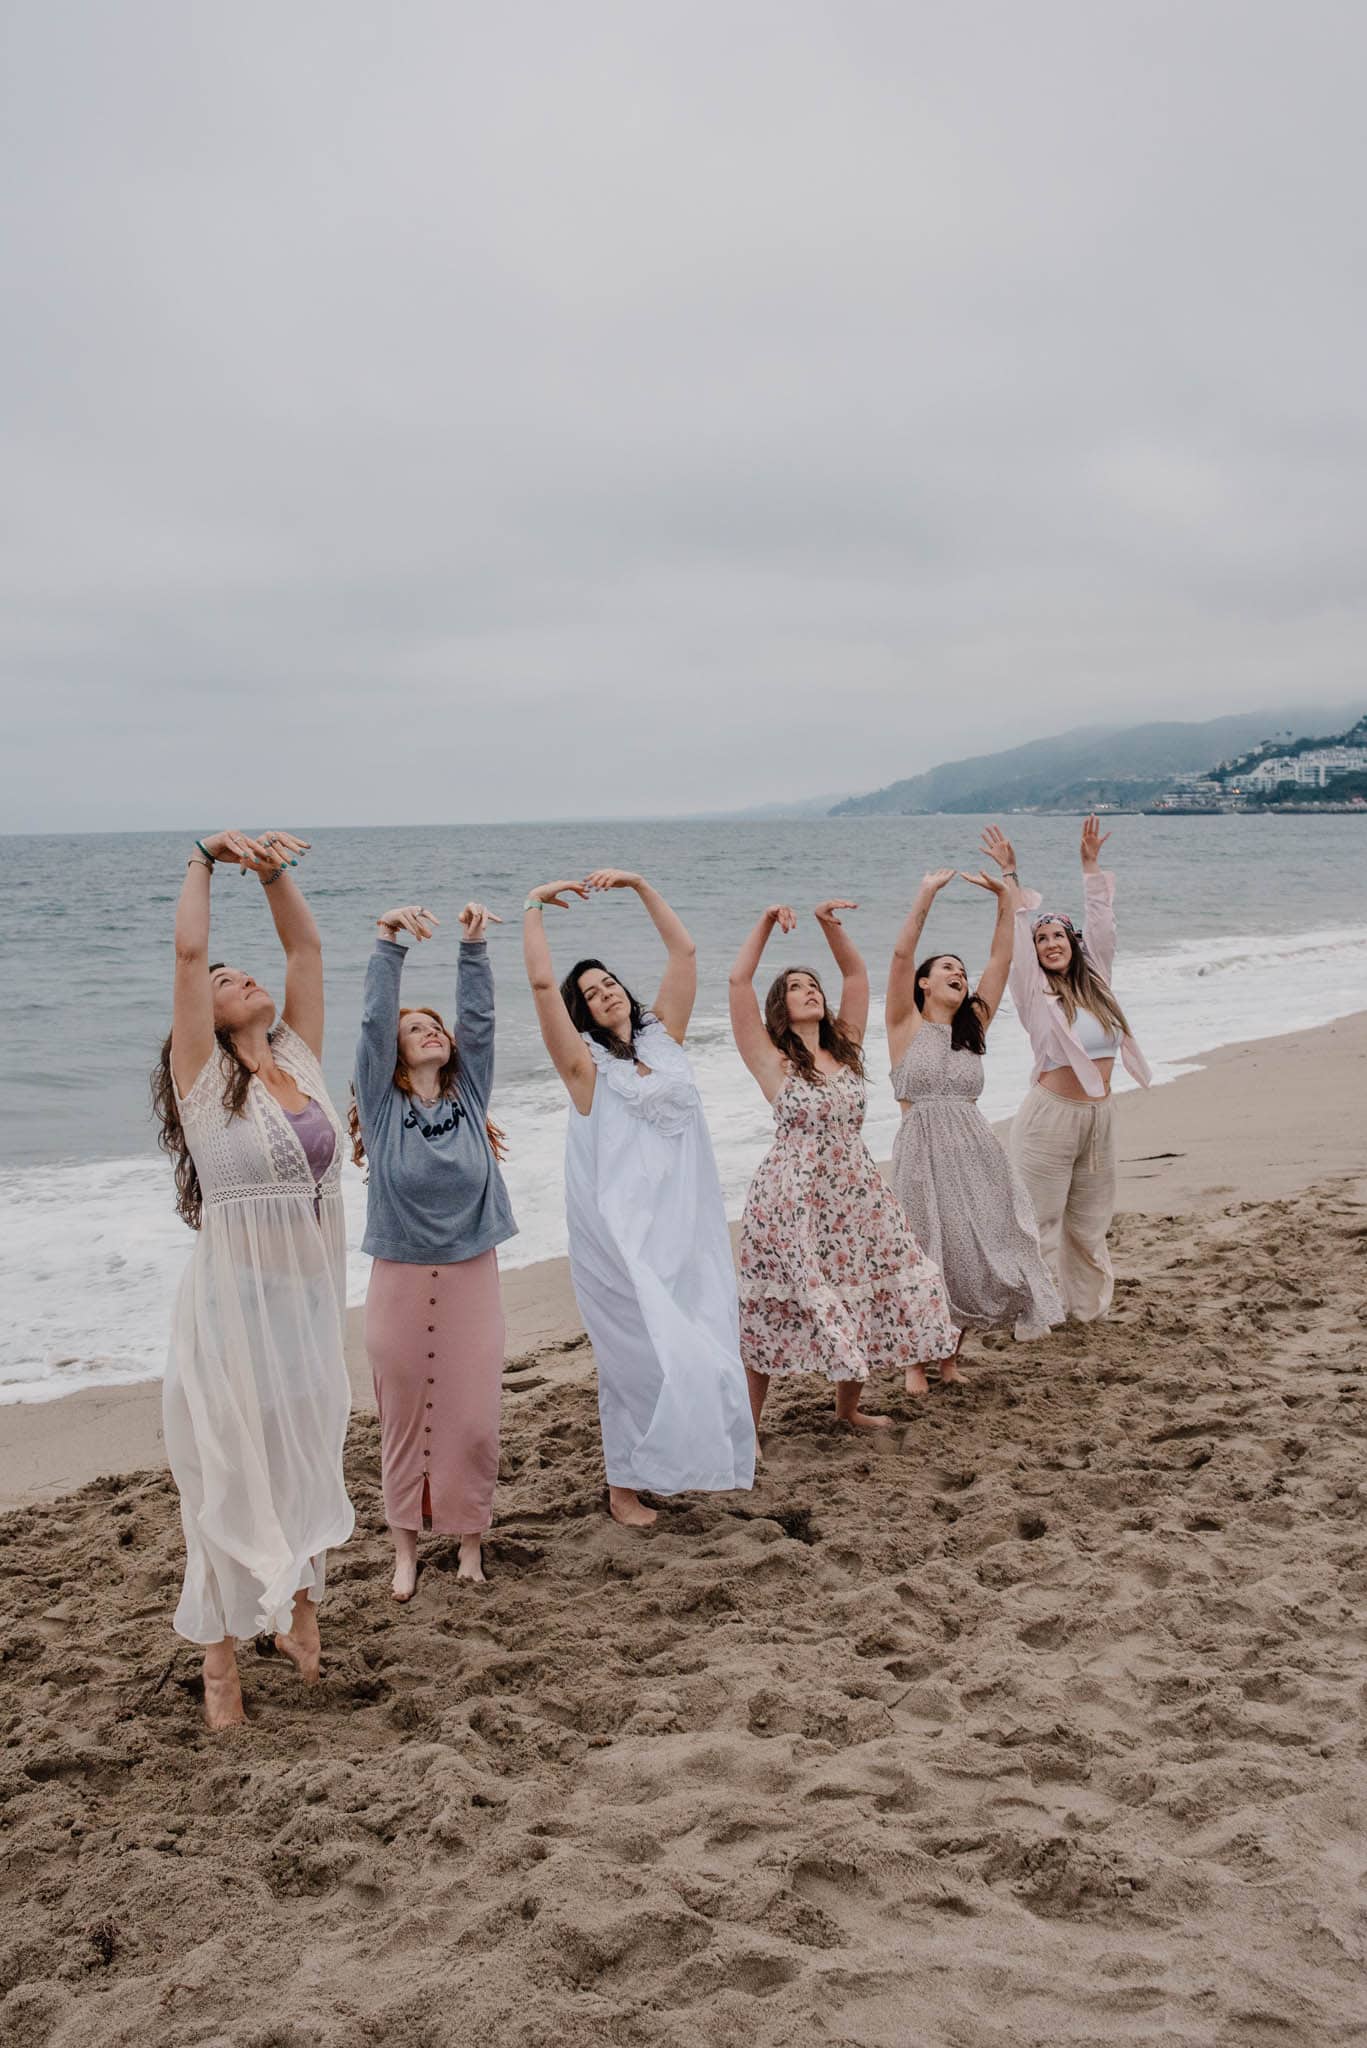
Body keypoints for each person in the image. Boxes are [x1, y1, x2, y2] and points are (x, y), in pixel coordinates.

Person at [151, 829, 354, 1730]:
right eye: (227, 984)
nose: (243, 982)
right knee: (227, 1476)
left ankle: (300, 1611)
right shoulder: (200, 1080)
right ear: (205, 1011)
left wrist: (272, 874)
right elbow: (190, 949)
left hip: (306, 1306)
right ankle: (220, 1665)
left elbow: (305, 948)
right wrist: (204, 858)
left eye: (246, 978)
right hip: (233, 1310)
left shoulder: (300, 1057)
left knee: (302, 1455)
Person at [522, 867, 754, 1527]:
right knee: (632, 1354)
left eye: (608, 983)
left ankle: (674, 1460)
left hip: (685, 1226)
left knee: (702, 1338)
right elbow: (542, 985)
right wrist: (534, 908)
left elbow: (684, 954)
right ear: (583, 1015)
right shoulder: (584, 1071)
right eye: (591, 995)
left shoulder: (663, 1041)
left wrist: (640, 885)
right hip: (621, 1234)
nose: (604, 994)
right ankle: (622, 1488)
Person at [730, 899, 958, 1423]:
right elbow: (738, 983)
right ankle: (747, 1426)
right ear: (779, 1007)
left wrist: (827, 925)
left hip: (854, 1194)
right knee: (777, 1303)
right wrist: (765, 922)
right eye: (794, 986)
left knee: (862, 1291)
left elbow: (855, 973)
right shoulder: (772, 1059)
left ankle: (848, 1411)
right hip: (791, 1198)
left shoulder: (847, 1047)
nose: (809, 989)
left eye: (813, 985)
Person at [351, 899, 517, 1602]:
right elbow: (368, 1024)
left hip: (470, 1274)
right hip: (397, 1274)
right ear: (392, 1055)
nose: (430, 1032)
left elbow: (478, 1023)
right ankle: (405, 1552)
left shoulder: (469, 1094)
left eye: (433, 1026)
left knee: (472, 1419)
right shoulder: (384, 1107)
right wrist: (389, 944)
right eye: (412, 1028)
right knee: (403, 1415)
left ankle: (470, 1542)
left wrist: (472, 949)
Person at [979, 815, 1152, 1320]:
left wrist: (1090, 867)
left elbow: (1103, 923)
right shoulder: (1035, 993)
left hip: (1099, 1117)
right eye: (1042, 939)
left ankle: (1086, 1311)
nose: (1051, 943)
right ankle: (1030, 1316)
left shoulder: (1098, 981)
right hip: (1051, 1117)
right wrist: (1011, 876)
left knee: (1089, 1223)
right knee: (1037, 1220)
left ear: (1073, 943)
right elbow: (1015, 933)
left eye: (1059, 935)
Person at [885, 868, 1063, 1349]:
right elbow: (902, 955)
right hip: (921, 1155)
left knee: (976, 1249)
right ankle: (915, 1361)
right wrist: (926, 893)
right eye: (945, 968)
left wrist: (1005, 898)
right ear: (922, 983)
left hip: (976, 1154)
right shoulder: (903, 1024)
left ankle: (950, 1356)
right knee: (923, 1250)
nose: (957, 973)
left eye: (960, 971)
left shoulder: (974, 1026)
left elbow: (1000, 958)